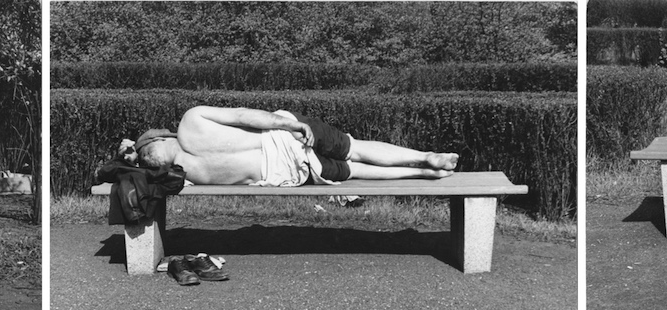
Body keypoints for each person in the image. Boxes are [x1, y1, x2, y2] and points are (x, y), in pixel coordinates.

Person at [130, 106, 460, 186]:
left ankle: (422, 166)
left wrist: (132, 156)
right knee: (354, 154)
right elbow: (247, 116)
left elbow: (247, 116)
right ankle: (424, 162)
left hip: (291, 156)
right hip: (290, 151)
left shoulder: (187, 167)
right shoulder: (189, 129)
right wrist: (291, 124)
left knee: (355, 160)